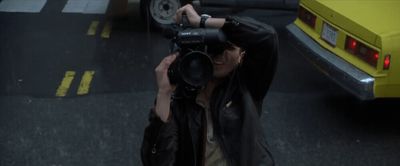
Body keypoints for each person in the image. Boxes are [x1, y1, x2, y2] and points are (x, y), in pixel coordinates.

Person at [141, 4, 278, 166]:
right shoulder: (182, 98)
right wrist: (164, 94)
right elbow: (157, 162)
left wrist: (202, 21)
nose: (219, 54)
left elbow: (267, 36)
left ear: (242, 55)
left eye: (229, 47)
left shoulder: (246, 84)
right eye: (213, 46)